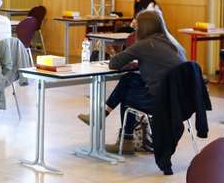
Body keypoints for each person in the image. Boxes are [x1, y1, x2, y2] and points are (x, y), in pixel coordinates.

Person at [78, 10, 186, 154]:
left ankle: (121, 137)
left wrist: (127, 54)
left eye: (137, 26)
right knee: (130, 79)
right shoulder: (173, 43)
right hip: (180, 101)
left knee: (127, 94)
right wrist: (140, 63)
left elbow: (114, 63)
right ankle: (103, 118)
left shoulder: (145, 44)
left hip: (160, 101)